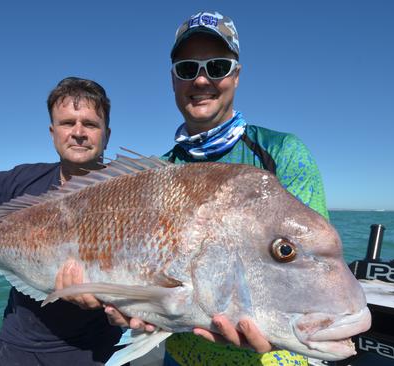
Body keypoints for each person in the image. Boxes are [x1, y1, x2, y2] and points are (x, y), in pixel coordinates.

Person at [105, 11, 330, 366]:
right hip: (179, 359)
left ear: (237, 75)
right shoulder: (155, 174)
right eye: (187, 68)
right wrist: (123, 305)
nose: (201, 79)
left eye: (218, 66)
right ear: (173, 79)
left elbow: (309, 260)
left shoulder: (282, 152)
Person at [0, 77, 122, 365]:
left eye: (90, 124)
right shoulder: (20, 180)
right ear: (53, 131)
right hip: (17, 346)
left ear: (106, 134)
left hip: (95, 352)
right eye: (67, 123)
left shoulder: (128, 189)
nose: (78, 133)